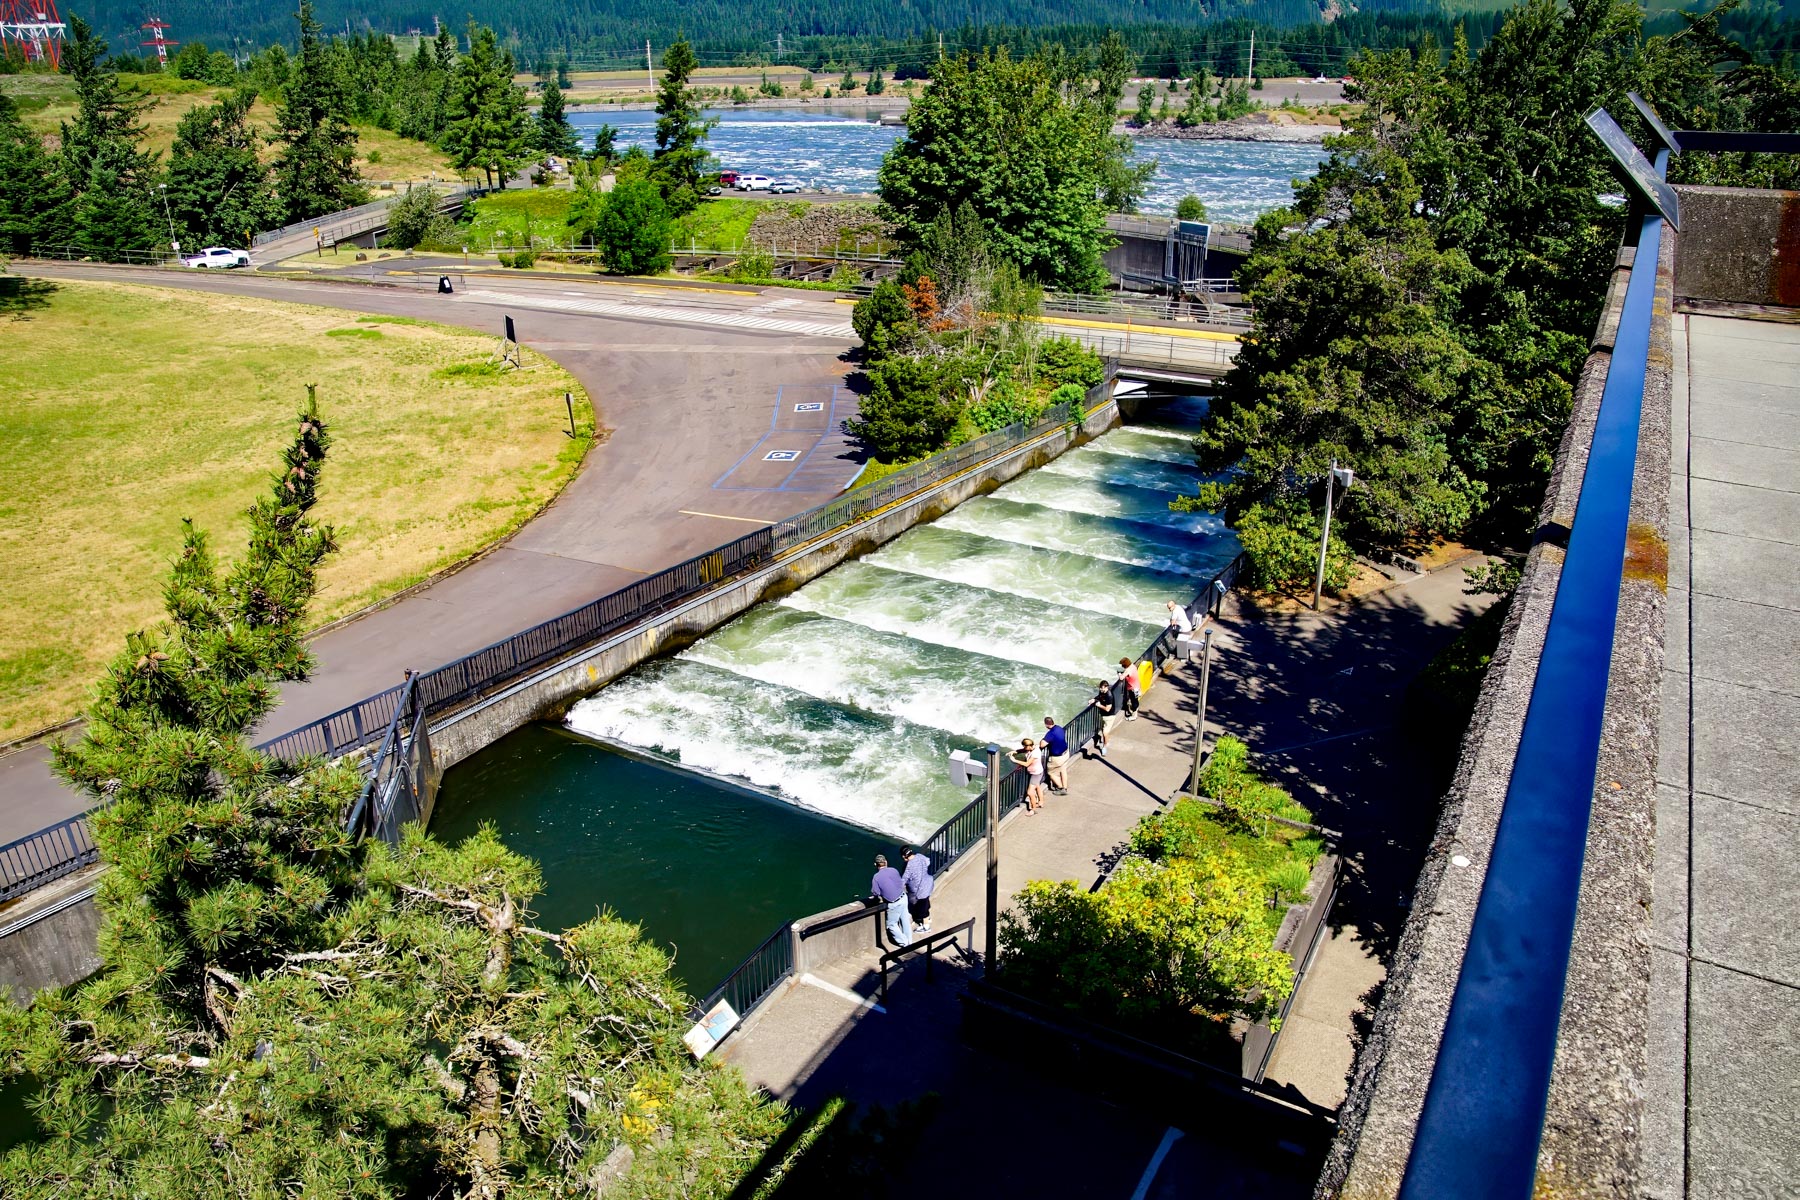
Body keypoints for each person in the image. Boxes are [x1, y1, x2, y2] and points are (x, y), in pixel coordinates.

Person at [870, 854, 911, 947]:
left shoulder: (876, 877)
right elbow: (900, 883)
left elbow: (875, 893)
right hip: (903, 897)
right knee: (905, 920)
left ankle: (904, 943)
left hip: (894, 903)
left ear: (875, 865)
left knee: (891, 925)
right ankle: (910, 942)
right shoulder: (894, 870)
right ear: (886, 862)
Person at [901, 845, 934, 935]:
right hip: (928, 884)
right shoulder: (920, 856)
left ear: (904, 856)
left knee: (921, 909)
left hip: (920, 890)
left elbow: (903, 880)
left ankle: (926, 927)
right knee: (926, 903)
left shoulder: (909, 866)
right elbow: (928, 861)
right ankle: (927, 919)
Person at [1010, 736, 1046, 812]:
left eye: (1024, 746)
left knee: (1030, 792)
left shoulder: (1035, 753)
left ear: (1028, 746)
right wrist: (1015, 751)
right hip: (1038, 772)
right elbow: (1024, 750)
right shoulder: (1033, 748)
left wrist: (1015, 760)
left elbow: (1027, 764)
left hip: (1035, 774)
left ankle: (1033, 809)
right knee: (1038, 787)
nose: (1023, 748)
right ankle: (1041, 802)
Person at [1041, 716, 1069, 794]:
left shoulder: (1051, 733)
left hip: (1057, 757)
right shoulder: (1059, 728)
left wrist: (1043, 740)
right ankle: (1065, 787)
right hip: (1065, 753)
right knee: (1063, 770)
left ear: (1046, 725)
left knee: (1051, 773)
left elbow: (1042, 745)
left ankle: (1060, 788)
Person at [1092, 680, 1117, 757]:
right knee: (1103, 730)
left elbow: (1107, 709)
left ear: (1106, 687)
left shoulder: (1109, 696)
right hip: (1103, 715)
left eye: (1102, 688)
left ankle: (1105, 747)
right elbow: (1099, 697)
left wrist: (1099, 705)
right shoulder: (1102, 692)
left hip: (1109, 716)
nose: (1100, 690)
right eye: (1100, 688)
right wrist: (1094, 699)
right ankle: (1105, 741)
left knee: (1105, 732)